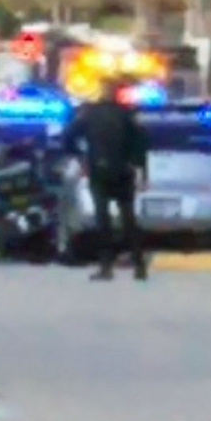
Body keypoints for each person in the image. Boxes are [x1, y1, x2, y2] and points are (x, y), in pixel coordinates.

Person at [68, 77, 148, 281]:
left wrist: (81, 159)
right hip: (123, 171)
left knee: (103, 220)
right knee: (128, 218)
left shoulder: (89, 114)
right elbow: (141, 144)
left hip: (99, 169)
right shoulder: (127, 114)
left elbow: (67, 137)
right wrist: (141, 171)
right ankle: (139, 265)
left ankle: (106, 267)